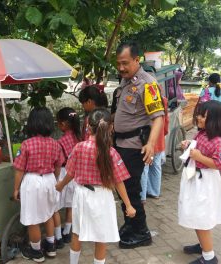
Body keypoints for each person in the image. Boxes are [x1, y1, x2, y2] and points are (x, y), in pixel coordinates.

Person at [55, 108, 136, 264]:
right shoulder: (111, 152)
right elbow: (119, 181)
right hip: (102, 196)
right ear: (110, 128)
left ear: (87, 127)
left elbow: (70, 173)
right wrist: (128, 205)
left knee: (77, 233)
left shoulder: (79, 147)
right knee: (101, 237)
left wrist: (60, 185)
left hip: (81, 195)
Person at [113, 41, 165, 248]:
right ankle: (130, 224)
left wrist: (151, 144)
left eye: (125, 63)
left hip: (134, 146)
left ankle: (141, 232)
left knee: (131, 189)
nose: (121, 68)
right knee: (122, 189)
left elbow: (158, 117)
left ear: (137, 60)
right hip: (120, 144)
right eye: (118, 64)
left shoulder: (148, 83)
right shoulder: (126, 82)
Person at [179, 100, 221, 264]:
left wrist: (200, 157)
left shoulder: (220, 141)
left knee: (201, 217)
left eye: (203, 116)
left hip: (205, 183)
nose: (198, 118)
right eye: (199, 114)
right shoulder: (201, 133)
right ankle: (203, 245)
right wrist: (187, 146)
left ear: (215, 119)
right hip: (195, 179)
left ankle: (209, 257)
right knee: (196, 214)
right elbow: (197, 148)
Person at [12, 107, 65, 263]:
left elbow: (19, 170)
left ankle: (36, 252)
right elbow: (58, 166)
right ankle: (50, 247)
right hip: (50, 179)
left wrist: (15, 189)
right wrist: (53, 180)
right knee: (48, 214)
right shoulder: (55, 144)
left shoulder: (26, 144)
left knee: (33, 219)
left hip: (32, 181)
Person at [53, 107, 82, 249]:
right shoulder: (80, 137)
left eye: (58, 122)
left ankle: (57, 236)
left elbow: (58, 161)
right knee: (70, 205)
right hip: (76, 174)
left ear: (63, 124)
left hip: (64, 173)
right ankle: (67, 232)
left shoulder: (61, 141)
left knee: (56, 207)